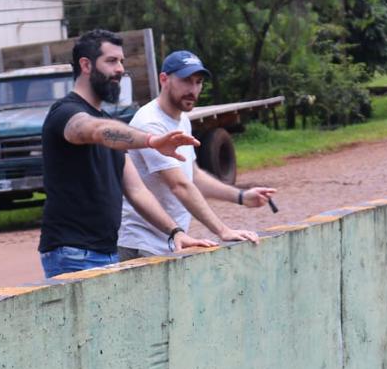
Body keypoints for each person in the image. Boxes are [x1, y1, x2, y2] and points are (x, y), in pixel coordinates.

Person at [38, 30, 216, 278]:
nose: (120, 69)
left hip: (108, 250)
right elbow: (95, 131)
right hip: (73, 254)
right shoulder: (65, 113)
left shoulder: (106, 120)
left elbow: (136, 191)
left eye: (122, 61)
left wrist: (175, 232)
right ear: (86, 65)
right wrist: (151, 141)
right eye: (111, 61)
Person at [117, 50, 277, 260]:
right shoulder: (150, 122)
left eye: (198, 82)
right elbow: (179, 185)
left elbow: (194, 177)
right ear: (164, 79)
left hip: (168, 239)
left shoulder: (181, 119)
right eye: (186, 81)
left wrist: (240, 196)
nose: (193, 89)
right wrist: (222, 230)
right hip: (142, 242)